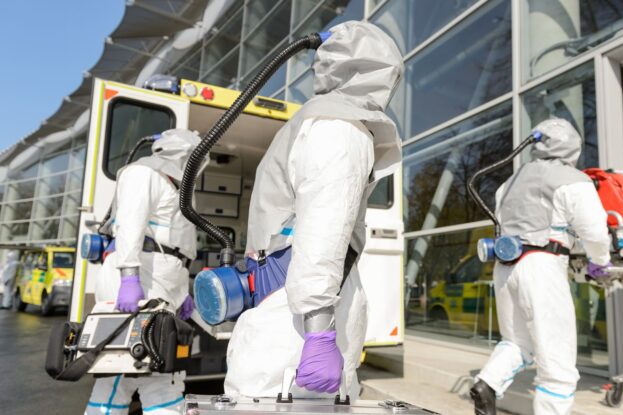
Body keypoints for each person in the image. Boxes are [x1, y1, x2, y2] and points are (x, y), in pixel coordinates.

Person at [223, 21, 403, 399]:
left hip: (283, 307)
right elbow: (322, 233)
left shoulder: (313, 123)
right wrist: (319, 333)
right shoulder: (340, 128)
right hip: (298, 323)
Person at [470, 118, 612, 415]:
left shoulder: (508, 184)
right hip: (542, 268)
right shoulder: (571, 179)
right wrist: (601, 262)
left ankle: (487, 383)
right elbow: (595, 231)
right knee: (557, 364)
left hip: (506, 268)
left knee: (518, 342)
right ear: (573, 147)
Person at [85, 129, 207, 415]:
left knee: (151, 369)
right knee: (132, 372)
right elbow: (130, 226)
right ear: (184, 154)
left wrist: (181, 292)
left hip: (159, 282)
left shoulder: (174, 186)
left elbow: (174, 248)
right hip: (139, 278)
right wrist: (129, 277)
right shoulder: (144, 173)